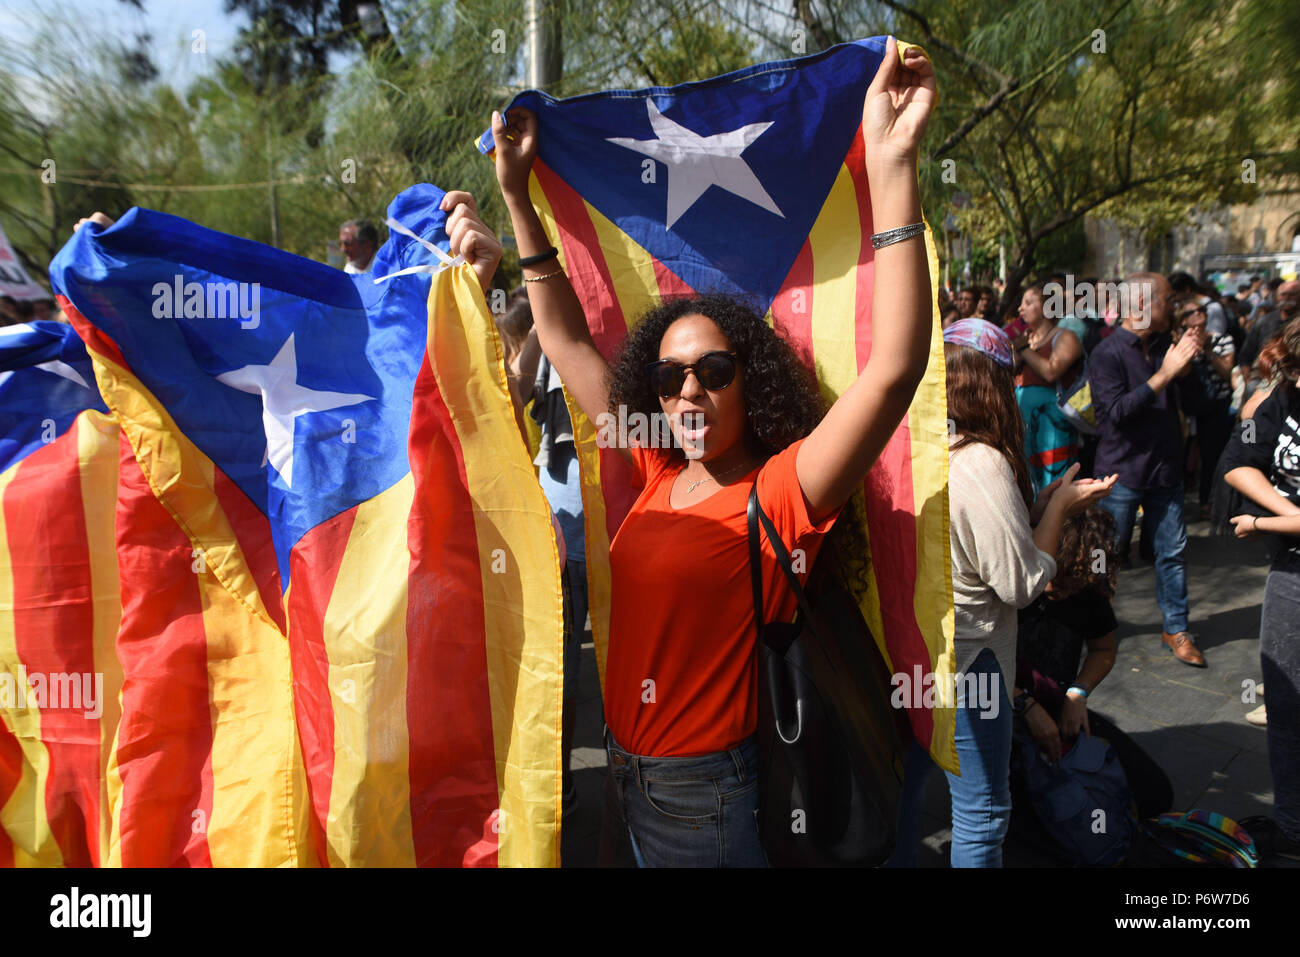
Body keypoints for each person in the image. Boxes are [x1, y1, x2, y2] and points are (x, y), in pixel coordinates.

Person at [491, 37, 936, 867]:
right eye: (669, 376)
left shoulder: (783, 491)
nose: (688, 391)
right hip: (628, 778)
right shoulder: (658, 461)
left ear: (750, 382)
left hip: (707, 801)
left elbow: (894, 367)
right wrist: (518, 195)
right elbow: (560, 334)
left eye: (713, 370)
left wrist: (892, 164)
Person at [888, 318, 1115, 868]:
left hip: (914, 654)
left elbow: (978, 537)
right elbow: (1019, 583)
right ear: (992, 384)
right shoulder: (982, 461)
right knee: (983, 813)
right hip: (972, 664)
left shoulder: (913, 441)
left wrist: (1039, 508)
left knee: (904, 792)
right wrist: (1060, 511)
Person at [1011, 507, 1173, 819]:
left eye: (1078, 576)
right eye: (1062, 574)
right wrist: (1027, 708)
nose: (1063, 589)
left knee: (1155, 795)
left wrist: (1078, 693)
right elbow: (974, 666)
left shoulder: (1085, 590)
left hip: (1056, 703)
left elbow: (1103, 649)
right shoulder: (1011, 588)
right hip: (999, 706)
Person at [1089, 273, 1206, 666]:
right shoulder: (1107, 354)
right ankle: (1096, 633)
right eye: (1167, 299)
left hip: (1165, 471)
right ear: (1141, 305)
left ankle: (1177, 627)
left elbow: (1194, 403)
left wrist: (1187, 370)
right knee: (1106, 556)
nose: (1174, 306)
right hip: (1120, 473)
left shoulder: (1165, 347)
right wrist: (1165, 374)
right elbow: (1115, 415)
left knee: (1172, 553)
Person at [1222, 318, 1300, 863]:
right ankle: (1293, 827)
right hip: (1292, 572)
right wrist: (1289, 512)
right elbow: (1235, 464)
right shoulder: (1279, 402)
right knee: (1286, 699)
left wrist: (1264, 524)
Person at [1011, 282, 1083, 493]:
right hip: (1024, 422)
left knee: (1054, 482)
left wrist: (1024, 349)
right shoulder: (1026, 339)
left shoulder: (1065, 337)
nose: (1020, 308)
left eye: (1028, 302)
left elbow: (1051, 371)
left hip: (1052, 423)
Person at [1175, 300, 1235, 520]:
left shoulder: (1222, 339)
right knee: (1181, 458)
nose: (1199, 313)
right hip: (1185, 410)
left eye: (1202, 310)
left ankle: (1207, 502)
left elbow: (1227, 372)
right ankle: (1176, 504)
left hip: (1216, 408)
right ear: (1183, 319)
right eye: (1192, 311)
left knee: (1212, 457)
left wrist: (1209, 350)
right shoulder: (1178, 341)